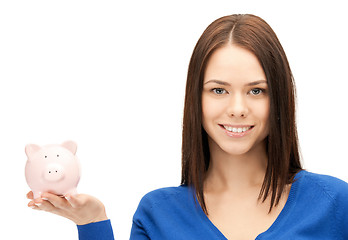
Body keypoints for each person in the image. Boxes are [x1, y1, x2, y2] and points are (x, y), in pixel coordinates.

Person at [27, 14, 348, 240]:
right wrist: (92, 223)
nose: (237, 109)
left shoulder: (334, 203)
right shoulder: (158, 213)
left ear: (279, 98)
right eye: (219, 90)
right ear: (196, 98)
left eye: (256, 90)